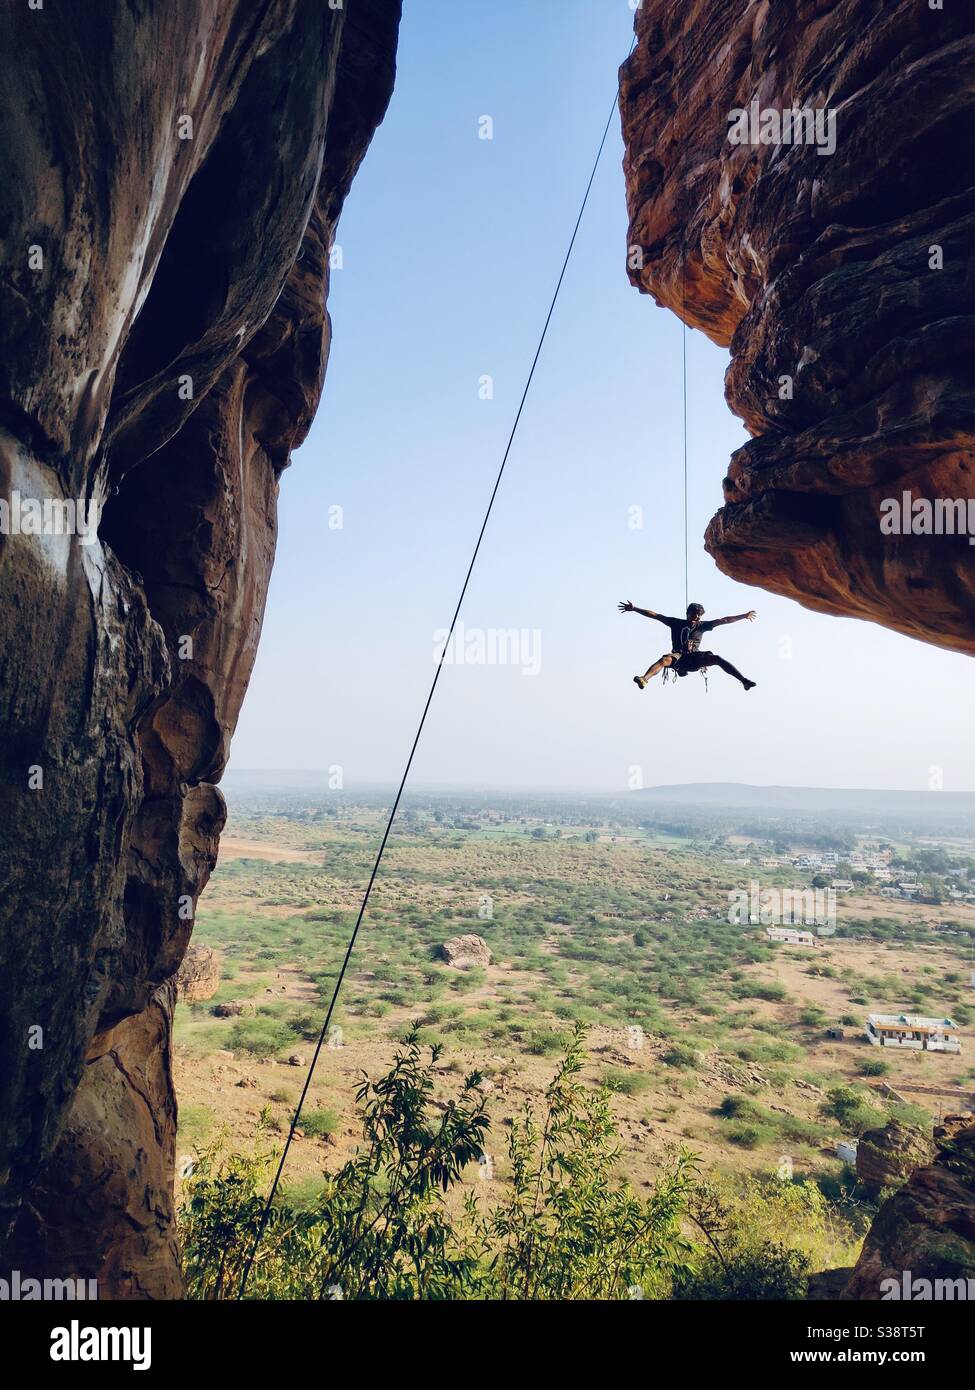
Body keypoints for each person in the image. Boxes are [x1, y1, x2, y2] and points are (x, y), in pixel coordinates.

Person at [618, 600, 757, 690]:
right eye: (694, 615)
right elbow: (655, 615)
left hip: (694, 658)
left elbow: (724, 620)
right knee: (664, 659)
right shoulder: (676, 623)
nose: (696, 618)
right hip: (678, 657)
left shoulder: (702, 626)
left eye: (698, 616)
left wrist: (744, 616)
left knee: (717, 658)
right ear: (687, 614)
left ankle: (744, 681)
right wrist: (635, 608)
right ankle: (644, 679)